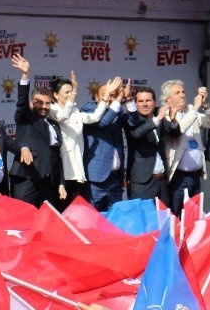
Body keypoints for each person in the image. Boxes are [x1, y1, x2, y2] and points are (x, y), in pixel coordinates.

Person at [49, 72, 116, 209]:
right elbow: (62, 116)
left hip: (77, 170)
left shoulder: (74, 111)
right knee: (61, 210)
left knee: (75, 212)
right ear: (56, 95)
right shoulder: (51, 110)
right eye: (66, 92)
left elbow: (95, 117)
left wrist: (106, 96)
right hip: (61, 170)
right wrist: (74, 93)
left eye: (71, 91)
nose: (69, 95)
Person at [8, 54, 65, 207]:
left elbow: (56, 156)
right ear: (32, 103)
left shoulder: (54, 125)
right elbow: (21, 103)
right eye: (40, 103)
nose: (44, 106)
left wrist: (60, 182)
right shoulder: (26, 117)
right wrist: (25, 74)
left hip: (48, 182)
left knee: (45, 222)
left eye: (48, 103)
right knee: (22, 220)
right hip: (27, 177)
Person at [160, 79, 210, 216]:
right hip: (178, 177)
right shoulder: (166, 114)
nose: (182, 95)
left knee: (194, 216)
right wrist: (196, 108)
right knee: (176, 215)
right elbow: (179, 129)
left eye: (183, 92)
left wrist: (205, 106)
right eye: (177, 93)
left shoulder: (190, 110)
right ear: (168, 99)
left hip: (195, 176)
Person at [80, 78, 128, 211]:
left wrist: (128, 100)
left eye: (113, 96)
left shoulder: (118, 110)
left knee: (114, 219)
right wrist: (118, 101)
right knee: (92, 217)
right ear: (96, 96)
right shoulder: (88, 108)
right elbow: (102, 122)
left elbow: (133, 124)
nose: (109, 99)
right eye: (106, 95)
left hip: (115, 178)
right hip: (96, 178)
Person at [124, 86, 168, 203]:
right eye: (140, 101)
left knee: (164, 219)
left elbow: (175, 132)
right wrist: (157, 119)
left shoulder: (162, 116)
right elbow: (136, 134)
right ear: (136, 104)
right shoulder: (131, 121)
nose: (144, 104)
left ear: (154, 102)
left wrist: (172, 119)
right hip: (142, 183)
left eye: (148, 100)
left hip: (162, 181)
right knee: (142, 219)